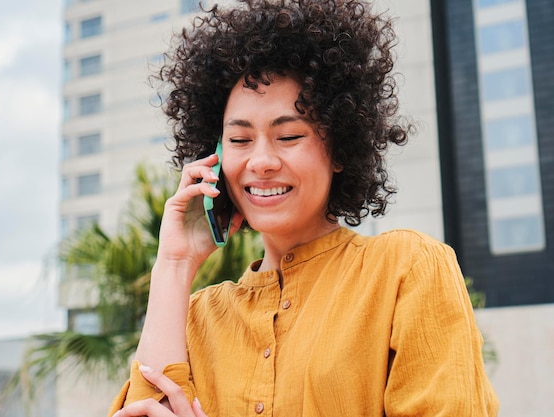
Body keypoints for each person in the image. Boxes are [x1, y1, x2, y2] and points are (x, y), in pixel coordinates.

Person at [109, 0, 500, 416]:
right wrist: (174, 262)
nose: (260, 161)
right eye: (240, 141)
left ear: (340, 147)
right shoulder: (194, 318)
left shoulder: (406, 269)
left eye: (289, 135)